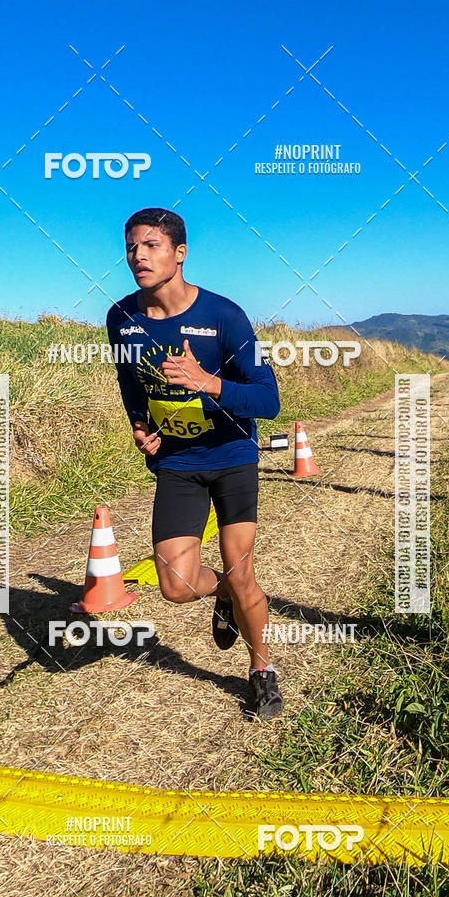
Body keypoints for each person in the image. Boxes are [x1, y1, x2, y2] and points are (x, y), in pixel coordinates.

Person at [106, 207, 283, 718]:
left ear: (179, 254)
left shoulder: (224, 316)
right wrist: (141, 426)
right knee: (175, 586)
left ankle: (261, 669)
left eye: (151, 245)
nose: (138, 256)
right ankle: (225, 595)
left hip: (231, 456)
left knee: (241, 568)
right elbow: (128, 383)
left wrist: (206, 381)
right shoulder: (122, 318)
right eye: (131, 246)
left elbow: (268, 401)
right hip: (178, 462)